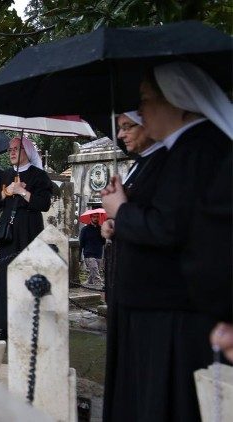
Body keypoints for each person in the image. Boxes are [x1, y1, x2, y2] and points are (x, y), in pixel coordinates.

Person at [101, 62, 232, 422]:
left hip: (174, 311)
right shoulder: (184, 150)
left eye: (146, 100)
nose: (141, 111)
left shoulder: (199, 149)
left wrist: (122, 213)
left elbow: (171, 228)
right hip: (156, 308)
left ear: (178, 100)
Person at [99, 111, 167, 422]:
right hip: (127, 284)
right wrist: (114, 223)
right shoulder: (139, 167)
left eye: (128, 127)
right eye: (120, 128)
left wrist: (122, 212)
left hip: (152, 289)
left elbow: (164, 225)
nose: (122, 135)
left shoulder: (164, 162)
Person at [0, 137, 52, 340]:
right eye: (10, 150)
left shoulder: (39, 176)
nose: (12, 153)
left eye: (16, 149)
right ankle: (6, 324)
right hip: (9, 231)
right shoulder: (6, 174)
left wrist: (22, 191)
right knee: (7, 277)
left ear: (27, 151)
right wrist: (6, 192)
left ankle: (27, 324)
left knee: (26, 276)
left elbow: (43, 204)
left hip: (29, 231)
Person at [79, 212, 105, 285]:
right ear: (91, 217)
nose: (96, 218)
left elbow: (103, 243)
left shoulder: (101, 229)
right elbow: (81, 243)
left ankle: (88, 284)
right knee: (95, 271)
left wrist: (103, 235)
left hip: (98, 254)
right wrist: (79, 258)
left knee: (93, 272)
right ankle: (99, 284)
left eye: (97, 217)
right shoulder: (85, 229)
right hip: (88, 254)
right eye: (94, 217)